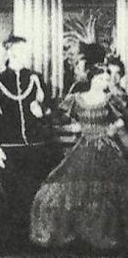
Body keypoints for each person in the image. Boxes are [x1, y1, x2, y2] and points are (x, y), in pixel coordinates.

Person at [30, 65, 128, 250]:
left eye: (106, 80)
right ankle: (81, 232)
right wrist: (43, 111)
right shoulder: (76, 99)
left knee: (107, 189)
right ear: (92, 79)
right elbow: (58, 117)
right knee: (71, 184)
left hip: (106, 146)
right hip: (83, 146)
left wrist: (114, 127)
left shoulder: (111, 99)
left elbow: (124, 117)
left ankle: (103, 232)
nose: (104, 83)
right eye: (101, 79)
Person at [0, 35, 58, 245]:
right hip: (9, 147)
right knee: (10, 195)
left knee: (36, 193)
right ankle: (12, 244)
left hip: (37, 147)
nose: (27, 55)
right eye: (23, 51)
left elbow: (49, 111)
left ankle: (36, 240)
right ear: (11, 52)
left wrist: (42, 113)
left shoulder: (36, 79)